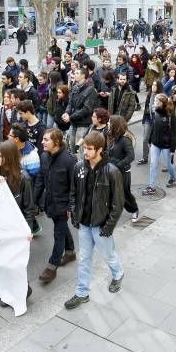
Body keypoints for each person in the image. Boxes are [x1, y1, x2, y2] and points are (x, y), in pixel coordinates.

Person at [64, 131, 125, 310]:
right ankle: (82, 293)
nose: (85, 152)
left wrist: (109, 227)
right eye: (84, 148)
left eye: (89, 149)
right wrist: (75, 214)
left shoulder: (112, 172)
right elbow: (73, 193)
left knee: (108, 255)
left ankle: (118, 273)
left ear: (100, 150)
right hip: (84, 223)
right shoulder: (79, 167)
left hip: (101, 224)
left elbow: (118, 203)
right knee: (84, 258)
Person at [0, 140, 37, 304]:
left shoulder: (24, 179)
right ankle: (14, 290)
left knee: (14, 262)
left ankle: (23, 290)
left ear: (8, 157)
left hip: (15, 229)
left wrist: (28, 230)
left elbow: (29, 208)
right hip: (0, 226)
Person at [34, 128, 78, 285]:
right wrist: (35, 200)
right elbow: (40, 178)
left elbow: (76, 187)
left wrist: (70, 208)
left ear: (57, 142)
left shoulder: (69, 160)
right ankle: (71, 251)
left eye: (46, 140)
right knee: (61, 227)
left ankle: (52, 268)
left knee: (58, 234)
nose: (42, 142)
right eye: (43, 139)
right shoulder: (44, 156)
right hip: (50, 203)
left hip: (63, 206)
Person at [107, 115, 139, 222]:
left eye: (109, 123)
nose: (107, 124)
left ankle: (134, 209)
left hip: (122, 172)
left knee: (125, 194)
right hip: (111, 170)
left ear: (115, 125)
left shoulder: (125, 140)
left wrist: (118, 165)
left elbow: (131, 156)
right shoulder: (111, 137)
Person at [63, 68, 98, 155]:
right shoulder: (75, 87)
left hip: (84, 124)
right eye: (75, 73)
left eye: (77, 73)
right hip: (73, 122)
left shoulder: (91, 90)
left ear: (83, 75)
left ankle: (83, 167)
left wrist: (70, 117)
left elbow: (86, 109)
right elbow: (70, 103)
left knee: (81, 150)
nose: (74, 75)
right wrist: (66, 112)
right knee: (71, 147)